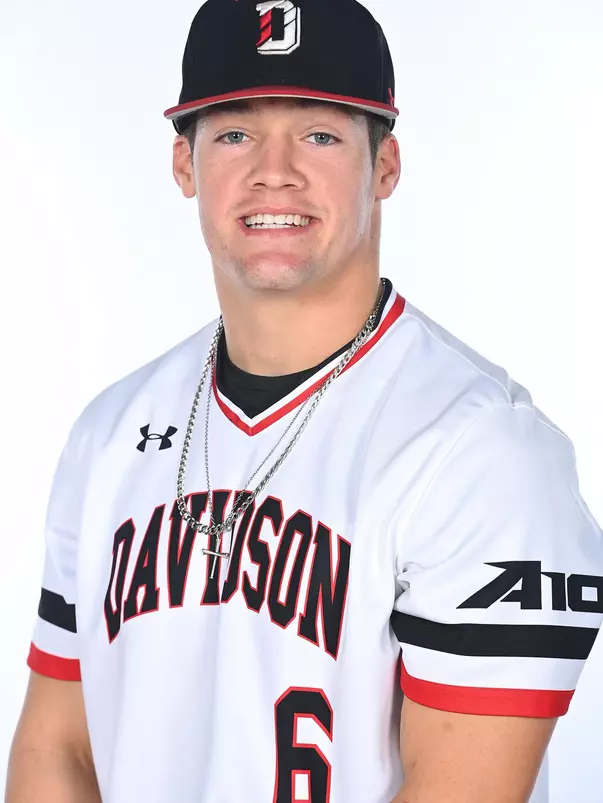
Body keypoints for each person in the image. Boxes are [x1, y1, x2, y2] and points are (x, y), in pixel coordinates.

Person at [6, 1, 603, 801]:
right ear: (184, 167)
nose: (273, 171)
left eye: (319, 134)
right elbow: (56, 750)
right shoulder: (109, 433)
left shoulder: (486, 452)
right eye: (233, 134)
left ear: (384, 163)